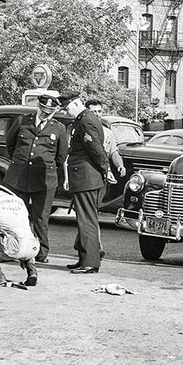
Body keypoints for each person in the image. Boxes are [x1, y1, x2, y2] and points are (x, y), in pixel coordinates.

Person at [4, 91, 68, 262]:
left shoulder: (59, 128)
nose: (45, 113)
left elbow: (60, 157)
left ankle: (41, 252)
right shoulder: (22, 121)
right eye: (43, 109)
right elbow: (10, 144)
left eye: (49, 111)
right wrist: (20, 162)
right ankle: (16, 248)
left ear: (54, 112)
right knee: (17, 214)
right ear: (38, 106)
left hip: (44, 179)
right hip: (19, 176)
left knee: (41, 217)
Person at [63, 94, 111, 274]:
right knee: (84, 220)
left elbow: (97, 151)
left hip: (86, 177)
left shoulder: (85, 121)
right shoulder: (83, 119)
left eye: (68, 108)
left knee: (87, 220)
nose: (67, 112)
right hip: (85, 177)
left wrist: (105, 169)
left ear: (76, 104)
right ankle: (85, 258)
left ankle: (90, 262)